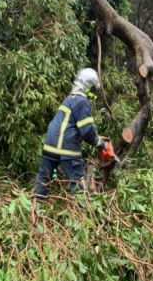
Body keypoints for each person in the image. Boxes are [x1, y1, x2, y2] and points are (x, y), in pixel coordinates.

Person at [34, 68, 115, 198]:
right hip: (66, 148)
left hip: (50, 146)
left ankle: (36, 207)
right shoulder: (82, 102)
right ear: (89, 87)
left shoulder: (69, 100)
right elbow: (87, 131)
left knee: (43, 180)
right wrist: (101, 145)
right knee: (77, 185)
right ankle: (82, 213)